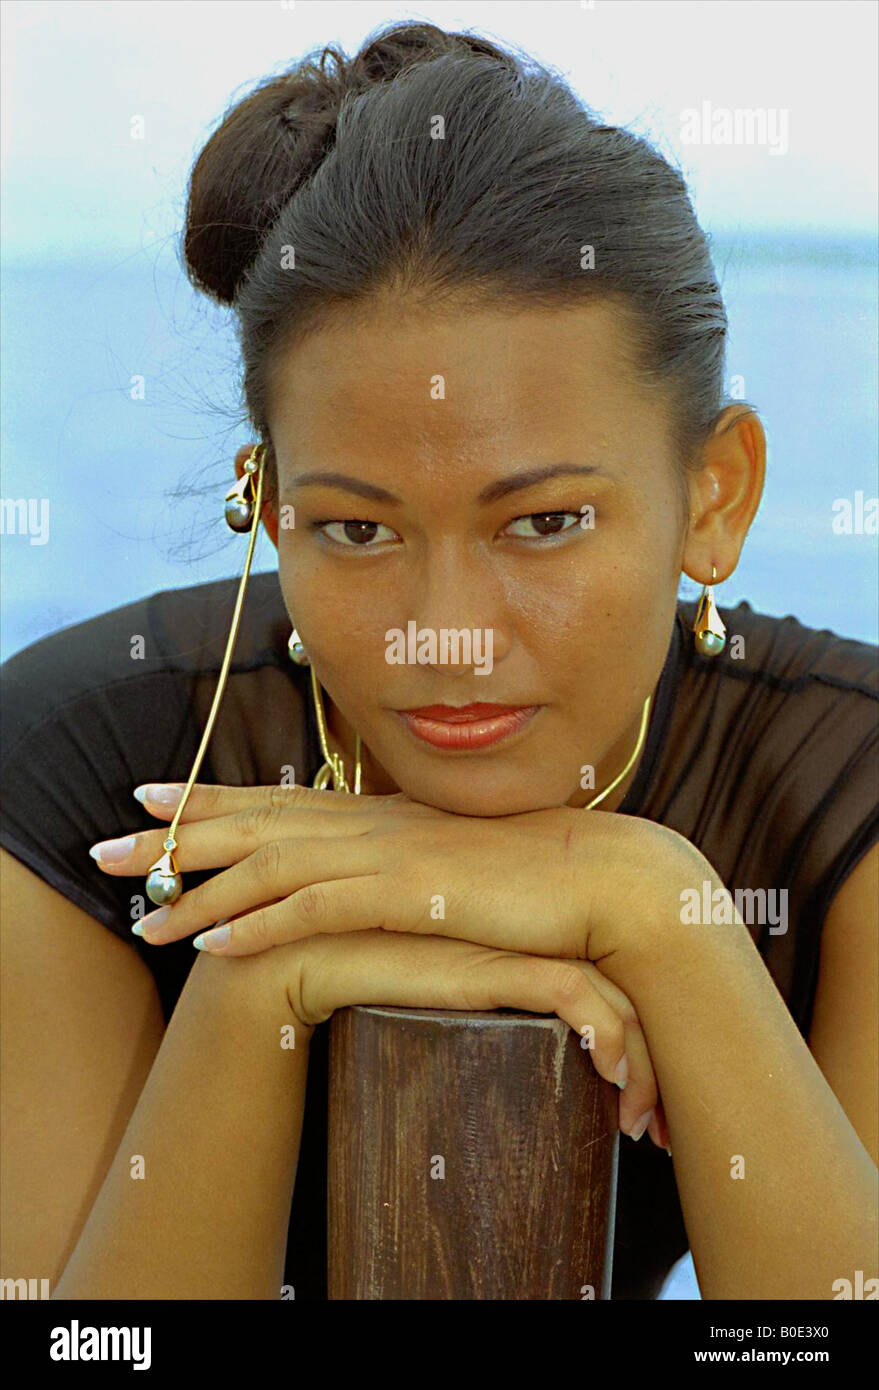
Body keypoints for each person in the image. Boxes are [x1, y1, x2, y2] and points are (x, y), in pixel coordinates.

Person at [1, 21, 876, 1302]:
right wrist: (259, 986)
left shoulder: (845, 780)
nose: (447, 631)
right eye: (357, 529)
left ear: (715, 492)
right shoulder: (90, 768)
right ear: (268, 500)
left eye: (545, 522)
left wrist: (655, 909)